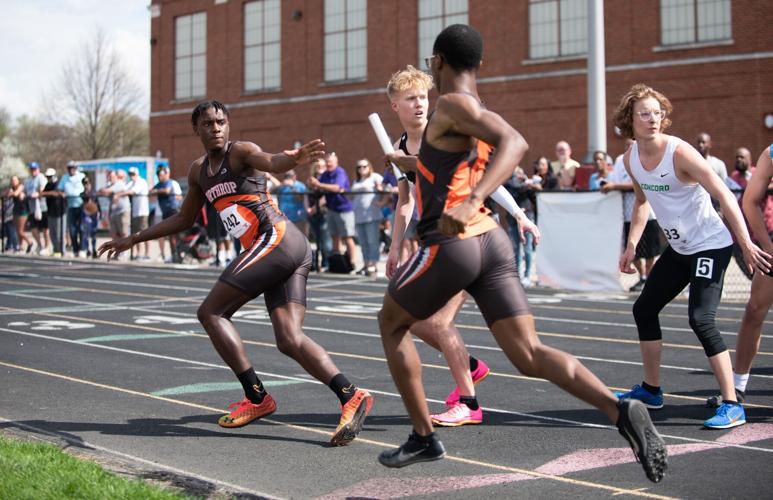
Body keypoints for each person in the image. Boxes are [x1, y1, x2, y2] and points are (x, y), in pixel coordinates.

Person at [376, 25, 667, 484]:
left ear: (437, 62)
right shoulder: (474, 109)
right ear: (481, 64)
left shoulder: (452, 104)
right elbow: (458, 162)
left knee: (391, 322)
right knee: (529, 354)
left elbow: (516, 144)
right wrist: (412, 165)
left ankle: (423, 436)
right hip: (492, 242)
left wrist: (472, 202)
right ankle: (620, 409)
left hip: (455, 240)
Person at [98, 100, 373, 445]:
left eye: (221, 121)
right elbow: (183, 219)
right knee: (289, 339)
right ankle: (350, 394)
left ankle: (257, 397)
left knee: (211, 312)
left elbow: (272, 161)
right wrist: (134, 238)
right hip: (283, 248)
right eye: (208, 123)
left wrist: (295, 158)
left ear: (228, 125)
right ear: (195, 129)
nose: (216, 127)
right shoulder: (199, 171)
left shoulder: (241, 152)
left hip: (278, 240)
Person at [611, 84, 770, 430]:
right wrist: (631, 245)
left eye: (657, 113)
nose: (653, 119)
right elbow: (641, 202)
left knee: (700, 318)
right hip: (680, 249)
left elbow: (725, 196)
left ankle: (732, 404)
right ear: (630, 120)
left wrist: (745, 242)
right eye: (644, 114)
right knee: (644, 308)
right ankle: (652, 390)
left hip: (711, 245)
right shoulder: (630, 159)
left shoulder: (680, 153)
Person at [706, 144, 773, 407]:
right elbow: (749, 200)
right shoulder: (770, 153)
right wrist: (767, 246)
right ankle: (737, 387)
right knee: (755, 310)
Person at [602, 139, 662, 292]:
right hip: (629, 215)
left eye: (632, 144)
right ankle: (642, 277)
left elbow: (641, 185)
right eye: (626, 145)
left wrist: (616, 186)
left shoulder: (647, 158)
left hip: (649, 214)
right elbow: (613, 181)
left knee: (650, 251)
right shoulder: (621, 160)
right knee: (633, 250)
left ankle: (648, 278)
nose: (629, 147)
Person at [309, 152, 357, 269]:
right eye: (327, 161)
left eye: (331, 161)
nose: (329, 163)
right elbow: (317, 187)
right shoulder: (325, 174)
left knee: (347, 237)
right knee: (334, 237)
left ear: (336, 162)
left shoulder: (340, 172)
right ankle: (337, 264)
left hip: (344, 210)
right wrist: (314, 183)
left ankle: (352, 264)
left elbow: (337, 187)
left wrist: (319, 184)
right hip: (331, 209)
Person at [351, 159, 383, 276]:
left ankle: (373, 265)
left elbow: (387, 188)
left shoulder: (375, 177)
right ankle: (365, 264)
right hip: (359, 215)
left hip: (372, 215)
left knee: (372, 241)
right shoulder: (357, 181)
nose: (362, 169)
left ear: (369, 166)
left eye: (364, 166)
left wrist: (382, 202)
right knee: (363, 242)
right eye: (359, 167)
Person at [151, 166, 182, 263]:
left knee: (175, 235)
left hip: (173, 211)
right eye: (158, 175)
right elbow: (150, 191)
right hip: (165, 212)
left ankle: (179, 254)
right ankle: (174, 255)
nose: (160, 177)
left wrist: (157, 191)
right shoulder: (159, 184)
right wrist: (157, 191)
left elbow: (167, 190)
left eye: (161, 175)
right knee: (170, 236)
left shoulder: (169, 182)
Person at [123, 166, 151, 260]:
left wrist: (121, 194)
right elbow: (125, 189)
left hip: (142, 212)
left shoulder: (141, 182)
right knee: (136, 234)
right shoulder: (131, 183)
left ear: (137, 174)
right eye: (130, 174)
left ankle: (147, 254)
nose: (131, 176)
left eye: (133, 174)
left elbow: (132, 191)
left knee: (145, 233)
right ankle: (138, 253)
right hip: (135, 212)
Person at [58, 162, 85, 257]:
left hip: (81, 205)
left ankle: (82, 248)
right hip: (70, 205)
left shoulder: (81, 176)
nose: (71, 170)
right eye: (69, 168)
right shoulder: (64, 178)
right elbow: (60, 189)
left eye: (72, 168)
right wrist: (62, 194)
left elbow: (87, 187)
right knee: (72, 229)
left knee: (81, 228)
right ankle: (75, 249)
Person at [276, 169, 309, 237]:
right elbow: (278, 199)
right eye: (286, 176)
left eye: (290, 176)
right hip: (285, 219)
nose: (288, 178)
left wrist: (292, 187)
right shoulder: (281, 187)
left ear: (295, 176)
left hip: (298, 218)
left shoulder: (300, 186)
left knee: (301, 239)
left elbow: (300, 200)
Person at [24, 161, 48, 254]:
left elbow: (42, 189)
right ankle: (39, 245)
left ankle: (46, 246)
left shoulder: (41, 178)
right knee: (33, 228)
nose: (33, 171)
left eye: (34, 169)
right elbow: (26, 190)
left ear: (38, 169)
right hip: (32, 207)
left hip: (42, 207)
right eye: (31, 169)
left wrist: (38, 193)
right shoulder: (29, 180)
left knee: (45, 228)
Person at [42, 168, 65, 256]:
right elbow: (43, 193)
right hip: (50, 211)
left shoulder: (58, 184)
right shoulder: (48, 184)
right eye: (47, 177)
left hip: (59, 212)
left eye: (50, 176)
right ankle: (55, 250)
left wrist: (48, 193)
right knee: (52, 232)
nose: (48, 178)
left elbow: (56, 193)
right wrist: (48, 193)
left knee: (59, 232)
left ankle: (60, 250)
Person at [10, 174, 32, 253]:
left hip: (23, 211)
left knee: (20, 231)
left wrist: (12, 193)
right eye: (12, 180)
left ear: (18, 181)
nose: (13, 182)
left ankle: (30, 242)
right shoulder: (12, 188)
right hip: (16, 210)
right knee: (17, 230)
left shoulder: (21, 187)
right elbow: (5, 194)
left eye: (15, 180)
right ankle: (20, 246)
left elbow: (15, 194)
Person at [80, 177, 100, 258]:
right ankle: (87, 250)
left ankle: (94, 249)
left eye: (87, 184)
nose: (86, 186)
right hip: (86, 215)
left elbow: (97, 204)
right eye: (85, 184)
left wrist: (99, 213)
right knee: (86, 233)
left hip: (93, 215)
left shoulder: (94, 193)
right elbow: (84, 198)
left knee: (93, 233)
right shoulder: (82, 193)